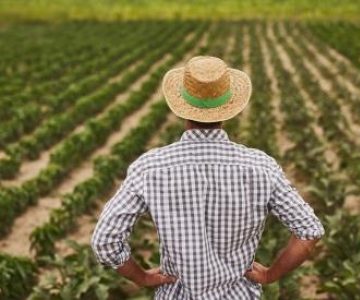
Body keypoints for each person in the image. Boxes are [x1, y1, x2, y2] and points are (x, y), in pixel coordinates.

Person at [91, 56, 325, 299]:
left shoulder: (150, 167)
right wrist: (269, 275)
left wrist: (143, 278)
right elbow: (309, 231)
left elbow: (105, 241)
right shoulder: (260, 166)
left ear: (183, 108)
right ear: (228, 109)